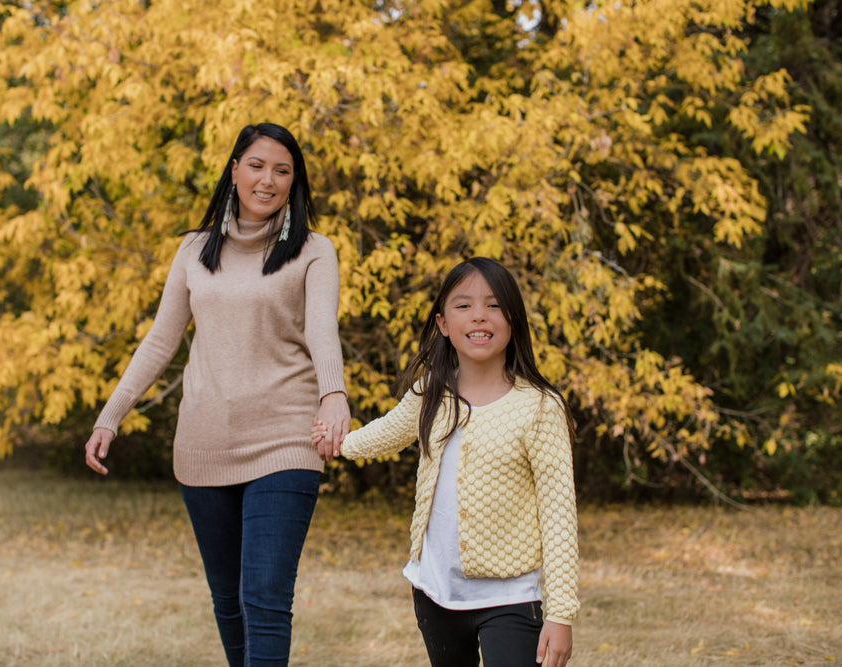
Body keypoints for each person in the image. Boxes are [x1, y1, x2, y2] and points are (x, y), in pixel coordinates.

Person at [84, 122, 351, 667]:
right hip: (204, 441)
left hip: (285, 438)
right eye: (256, 165)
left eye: (282, 170)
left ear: (293, 182)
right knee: (229, 603)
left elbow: (323, 327)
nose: (268, 180)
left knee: (265, 600)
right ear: (234, 170)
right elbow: (161, 340)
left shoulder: (314, 250)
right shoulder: (194, 249)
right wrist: (110, 417)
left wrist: (334, 394)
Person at [313, 257, 579, 667]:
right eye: (463, 305)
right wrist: (338, 443)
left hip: (511, 599)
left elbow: (559, 517)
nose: (479, 316)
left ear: (514, 319)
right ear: (442, 323)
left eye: (494, 305)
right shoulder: (430, 393)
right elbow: (385, 434)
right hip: (434, 593)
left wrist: (560, 614)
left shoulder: (540, 408)